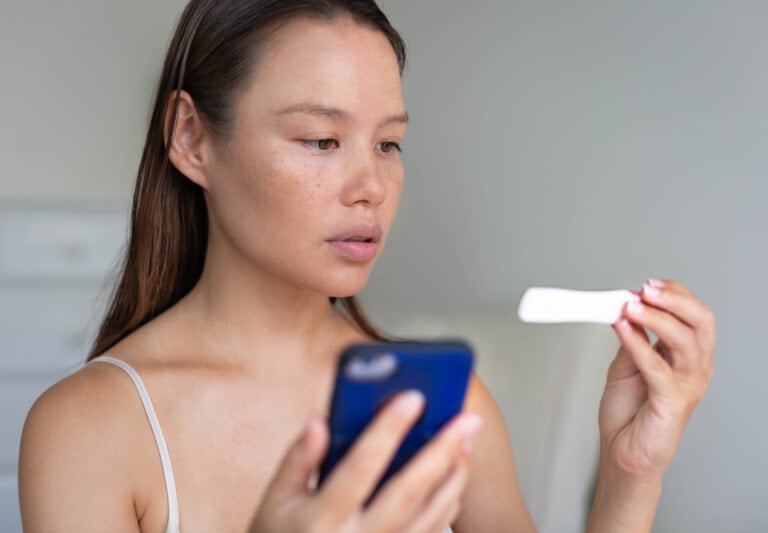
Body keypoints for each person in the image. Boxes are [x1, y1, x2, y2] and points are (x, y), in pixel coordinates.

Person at [18, 1, 715, 531]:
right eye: (322, 140)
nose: (372, 187)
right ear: (193, 138)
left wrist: (630, 476)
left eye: (388, 144)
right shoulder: (89, 430)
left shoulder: (444, 404)